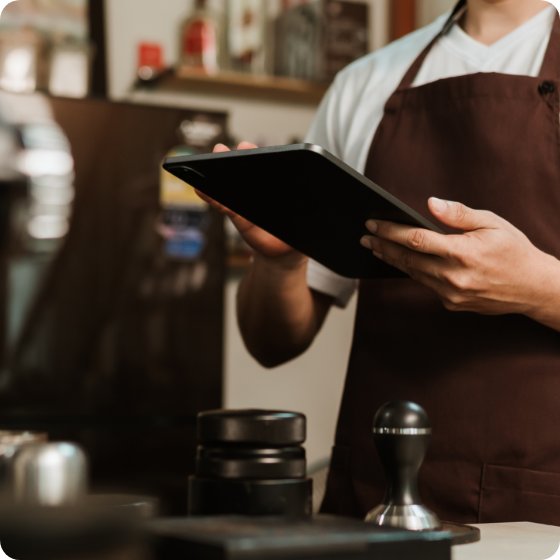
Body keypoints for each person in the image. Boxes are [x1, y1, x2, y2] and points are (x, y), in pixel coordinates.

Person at [200, 0, 560, 525]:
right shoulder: (362, 84)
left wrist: (539, 288)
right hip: (373, 505)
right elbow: (272, 343)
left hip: (541, 506)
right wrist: (280, 264)